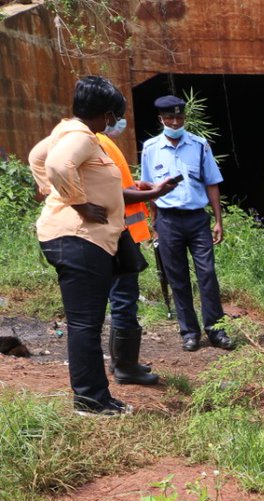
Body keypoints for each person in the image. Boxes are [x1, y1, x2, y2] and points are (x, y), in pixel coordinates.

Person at [28, 76, 176, 416]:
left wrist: (51, 192)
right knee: (85, 324)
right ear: (108, 114)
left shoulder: (67, 131)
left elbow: (38, 157)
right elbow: (54, 164)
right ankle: (90, 400)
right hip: (78, 239)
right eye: (115, 116)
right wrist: (77, 203)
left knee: (88, 322)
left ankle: (96, 396)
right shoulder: (80, 136)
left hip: (80, 240)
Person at [141, 94, 234, 351]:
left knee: (207, 274)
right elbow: (148, 189)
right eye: (169, 117)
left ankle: (216, 329)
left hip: (197, 220)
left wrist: (218, 220)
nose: (174, 122)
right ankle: (189, 332)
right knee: (177, 277)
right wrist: (154, 223)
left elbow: (212, 182)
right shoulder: (150, 148)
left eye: (179, 117)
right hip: (168, 221)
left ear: (184, 118)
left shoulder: (199, 145)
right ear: (161, 119)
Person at [97, 120, 159, 385]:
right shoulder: (98, 142)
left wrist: (133, 186)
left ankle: (122, 362)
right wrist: (153, 193)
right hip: (118, 234)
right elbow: (109, 193)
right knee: (123, 298)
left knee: (123, 297)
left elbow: (115, 185)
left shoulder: (102, 143)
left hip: (122, 232)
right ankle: (125, 367)